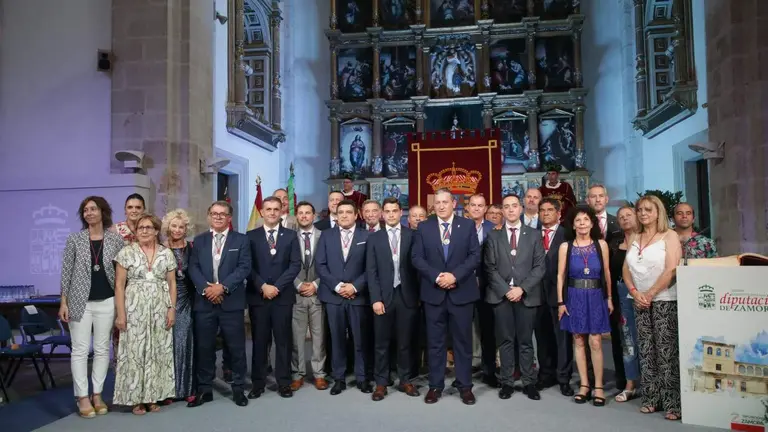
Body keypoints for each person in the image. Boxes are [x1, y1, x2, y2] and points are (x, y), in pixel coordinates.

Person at [411, 188, 480, 405]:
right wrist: (437, 276)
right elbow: (416, 257)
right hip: (434, 293)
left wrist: (455, 276)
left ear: (454, 203)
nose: (441, 206)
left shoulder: (467, 225)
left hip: (461, 292)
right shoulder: (424, 227)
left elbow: (475, 256)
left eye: (445, 202)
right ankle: (435, 386)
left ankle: (465, 386)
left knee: (463, 342)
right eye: (437, 202)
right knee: (435, 343)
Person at [59, 196, 124, 418]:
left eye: (93, 209)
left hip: (107, 301)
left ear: (102, 212)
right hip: (79, 301)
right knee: (79, 349)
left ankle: (97, 394)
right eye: (85, 210)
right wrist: (63, 302)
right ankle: (82, 397)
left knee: (102, 348)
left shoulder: (115, 240)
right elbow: (66, 272)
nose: (89, 213)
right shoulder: (74, 239)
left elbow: (121, 273)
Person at [187, 201, 252, 407]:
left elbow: (244, 267)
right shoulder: (199, 241)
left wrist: (222, 287)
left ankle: (238, 388)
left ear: (229, 218)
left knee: (236, 348)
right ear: (209, 216)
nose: (218, 217)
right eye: (214, 213)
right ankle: (205, 389)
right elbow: (193, 268)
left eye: (222, 214)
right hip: (204, 302)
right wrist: (207, 289)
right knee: (204, 347)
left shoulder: (241, 240)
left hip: (230, 302)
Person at [623, 195, 683, 421]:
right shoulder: (635, 236)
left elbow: (671, 269)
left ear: (658, 212)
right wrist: (635, 292)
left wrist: (649, 294)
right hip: (639, 300)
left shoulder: (670, 235)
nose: (643, 213)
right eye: (639, 210)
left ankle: (672, 403)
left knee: (666, 352)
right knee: (646, 351)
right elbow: (626, 268)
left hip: (664, 299)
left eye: (648, 209)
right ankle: (650, 398)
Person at [483, 194, 546, 400]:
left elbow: (539, 267)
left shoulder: (534, 235)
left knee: (526, 341)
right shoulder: (493, 235)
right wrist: (507, 290)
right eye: (506, 207)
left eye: (514, 206)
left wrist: (521, 289)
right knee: (506, 341)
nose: (510, 210)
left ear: (521, 209)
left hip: (526, 296)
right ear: (503, 211)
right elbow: (489, 268)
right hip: (501, 297)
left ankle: (529, 382)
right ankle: (507, 382)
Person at [113, 214, 177, 415]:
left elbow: (172, 284)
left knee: (158, 351)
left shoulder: (166, 254)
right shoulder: (125, 252)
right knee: (135, 352)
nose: (144, 231)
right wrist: (121, 314)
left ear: (156, 231)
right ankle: (135, 399)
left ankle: (153, 396)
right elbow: (119, 285)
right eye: (140, 227)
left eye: (148, 227)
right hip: (134, 310)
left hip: (159, 309)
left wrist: (171, 308)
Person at [246, 196, 302, 399]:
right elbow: (247, 266)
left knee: (283, 341)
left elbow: (295, 264)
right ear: (261, 212)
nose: (271, 212)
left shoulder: (290, 235)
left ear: (281, 212)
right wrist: (262, 286)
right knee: (260, 341)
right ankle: (258, 383)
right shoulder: (250, 236)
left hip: (282, 297)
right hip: (258, 297)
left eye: (275, 209)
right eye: (268, 209)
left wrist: (276, 287)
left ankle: (284, 382)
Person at [557, 206, 613, 407]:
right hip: (574, 295)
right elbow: (560, 275)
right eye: (578, 220)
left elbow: (606, 272)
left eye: (585, 220)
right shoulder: (566, 247)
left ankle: (598, 386)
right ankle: (584, 385)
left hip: (596, 295)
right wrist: (561, 302)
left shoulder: (601, 245)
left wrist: (609, 298)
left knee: (596, 341)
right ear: (573, 224)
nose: (582, 223)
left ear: (592, 223)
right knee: (578, 340)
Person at [316, 199, 372, 395]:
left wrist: (355, 287)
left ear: (356, 215)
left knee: (360, 339)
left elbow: (371, 268)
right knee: (337, 339)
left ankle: (362, 377)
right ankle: (338, 378)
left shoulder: (367, 235)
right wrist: (339, 286)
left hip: (358, 297)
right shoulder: (326, 236)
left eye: (349, 212)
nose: (345, 216)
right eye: (341, 213)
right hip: (334, 296)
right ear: (336, 216)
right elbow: (320, 266)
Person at [366, 197, 420, 401]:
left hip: (407, 296)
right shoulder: (374, 238)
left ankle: (405, 379)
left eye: (394, 211)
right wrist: (375, 299)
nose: (390, 214)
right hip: (383, 297)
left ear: (401, 213)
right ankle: (381, 382)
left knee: (405, 342)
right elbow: (371, 272)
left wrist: (418, 296)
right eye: (387, 211)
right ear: (382, 214)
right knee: (381, 342)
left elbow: (418, 268)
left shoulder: (412, 235)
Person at [586, 184, 625, 391]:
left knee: (618, 332)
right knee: (588, 334)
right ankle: (591, 378)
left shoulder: (617, 222)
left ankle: (622, 377)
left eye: (601, 196)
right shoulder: (581, 224)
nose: (597, 200)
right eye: (593, 196)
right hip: (588, 286)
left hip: (614, 284)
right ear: (588, 199)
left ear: (607, 199)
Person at [534, 198, 574, 396]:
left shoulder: (568, 234)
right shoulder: (532, 234)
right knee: (542, 338)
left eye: (550, 210)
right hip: (536, 295)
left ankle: (564, 377)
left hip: (560, 295)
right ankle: (545, 374)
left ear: (559, 213)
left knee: (562, 338)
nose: (545, 213)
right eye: (542, 210)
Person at [290, 201, 329, 391]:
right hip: (296, 293)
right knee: (296, 337)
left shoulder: (325, 237)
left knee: (319, 336)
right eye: (301, 213)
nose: (304, 216)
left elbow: (331, 264)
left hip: (318, 292)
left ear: (314, 215)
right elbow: (285, 264)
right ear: (296, 216)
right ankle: (297, 374)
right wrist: (298, 284)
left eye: (308, 213)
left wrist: (315, 284)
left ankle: (319, 374)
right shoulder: (289, 237)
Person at [161, 208, 196, 402]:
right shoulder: (160, 248)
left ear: (186, 229)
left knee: (186, 342)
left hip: (188, 300)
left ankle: (188, 388)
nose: (177, 229)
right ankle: (168, 390)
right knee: (168, 344)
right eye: (174, 226)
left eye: (181, 227)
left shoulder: (192, 247)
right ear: (168, 227)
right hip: (165, 300)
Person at [110, 193, 146, 369]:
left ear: (143, 209)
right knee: (121, 333)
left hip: (143, 290)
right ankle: (122, 382)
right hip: (121, 288)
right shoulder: (115, 230)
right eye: (130, 207)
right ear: (125, 209)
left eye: (138, 207)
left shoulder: (148, 229)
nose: (134, 211)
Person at [466, 193, 498, 387]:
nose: (477, 209)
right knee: (464, 331)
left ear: (485, 209)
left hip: (488, 288)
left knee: (488, 331)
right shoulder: (460, 227)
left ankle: (489, 371)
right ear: (467, 207)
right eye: (473, 205)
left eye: (480, 206)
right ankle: (465, 371)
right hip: (464, 286)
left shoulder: (494, 229)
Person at [611, 206, 640, 403]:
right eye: (621, 217)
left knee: (647, 340)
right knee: (627, 340)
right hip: (621, 295)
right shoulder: (615, 244)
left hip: (646, 294)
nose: (625, 219)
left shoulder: (650, 241)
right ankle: (629, 383)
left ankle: (652, 383)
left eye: (629, 215)